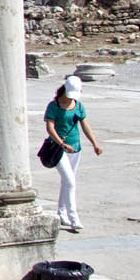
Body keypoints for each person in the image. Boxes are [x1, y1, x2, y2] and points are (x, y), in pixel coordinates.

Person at [44, 75, 104, 233]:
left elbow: (85, 126)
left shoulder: (79, 106)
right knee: (70, 181)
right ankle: (74, 218)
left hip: (75, 148)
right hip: (58, 149)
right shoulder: (54, 106)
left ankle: (61, 212)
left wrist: (95, 144)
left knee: (67, 181)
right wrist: (61, 143)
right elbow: (50, 127)